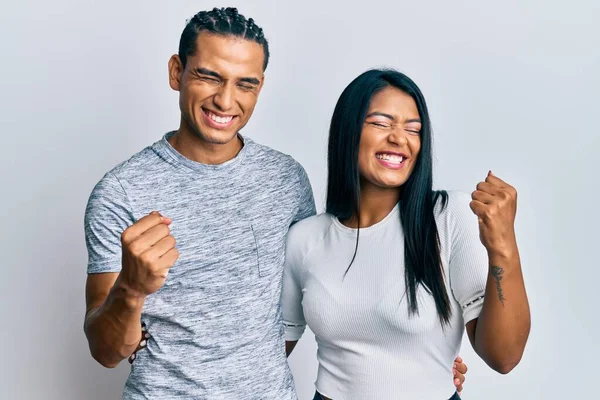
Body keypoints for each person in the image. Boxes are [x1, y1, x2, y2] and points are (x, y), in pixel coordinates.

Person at [83, 8, 468, 399]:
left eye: (245, 84)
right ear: (176, 72)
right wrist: (131, 288)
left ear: (260, 87)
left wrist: (421, 362)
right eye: (209, 76)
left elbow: (326, 292)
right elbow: (106, 352)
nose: (225, 99)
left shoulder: (286, 179)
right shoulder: (121, 191)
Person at [282, 68, 531, 400]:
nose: (399, 138)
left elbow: (504, 357)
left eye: (413, 129)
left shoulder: (447, 216)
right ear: (348, 131)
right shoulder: (304, 239)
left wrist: (503, 248)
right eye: (382, 123)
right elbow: (268, 353)